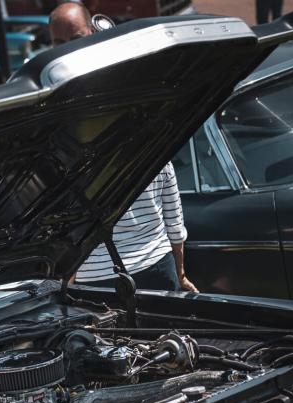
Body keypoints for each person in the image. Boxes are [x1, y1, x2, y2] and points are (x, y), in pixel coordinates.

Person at [50, 2, 198, 292]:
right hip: (110, 274)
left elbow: (169, 197)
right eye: (58, 42)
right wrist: (179, 273)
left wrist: (178, 273)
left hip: (141, 267)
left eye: (75, 39)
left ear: (94, 31)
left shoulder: (58, 119)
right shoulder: (140, 104)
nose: (66, 48)